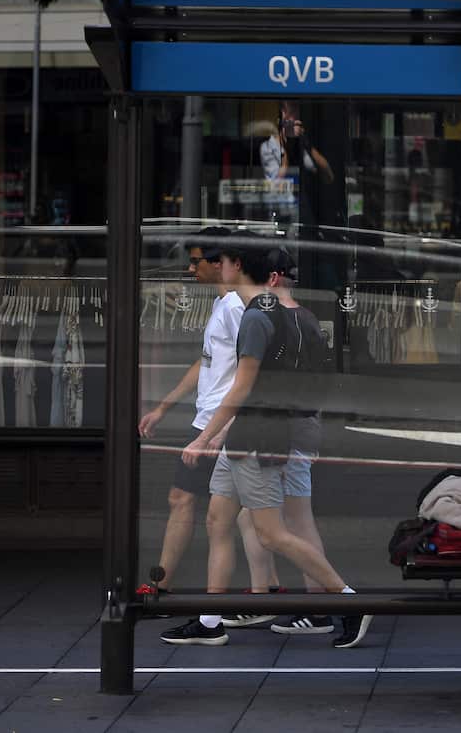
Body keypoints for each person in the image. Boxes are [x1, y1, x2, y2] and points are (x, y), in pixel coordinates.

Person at [159, 237, 371, 649]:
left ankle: (349, 601)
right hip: (249, 436)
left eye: (221, 261)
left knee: (272, 533)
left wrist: (205, 437)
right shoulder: (286, 313)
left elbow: (242, 388)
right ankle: (209, 619)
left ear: (237, 266)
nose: (215, 267)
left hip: (254, 439)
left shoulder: (258, 316)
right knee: (219, 520)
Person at [137, 227, 252, 596]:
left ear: (219, 264)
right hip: (209, 421)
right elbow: (205, 363)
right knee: (223, 512)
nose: (190, 270)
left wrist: (224, 427)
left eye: (195, 261)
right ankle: (166, 587)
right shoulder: (222, 305)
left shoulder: (237, 308)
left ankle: (169, 590)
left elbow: (254, 370)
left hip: (222, 424)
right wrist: (163, 408)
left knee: (240, 517)